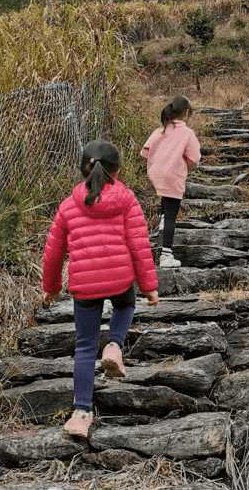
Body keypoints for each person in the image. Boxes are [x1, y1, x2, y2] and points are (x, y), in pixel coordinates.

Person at [42, 140, 159, 438]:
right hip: (120, 280)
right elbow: (139, 245)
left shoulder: (69, 206)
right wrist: (148, 286)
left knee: (84, 346)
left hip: (84, 286)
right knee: (125, 305)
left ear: (84, 169)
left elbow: (54, 252)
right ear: (117, 171)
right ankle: (115, 345)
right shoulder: (127, 200)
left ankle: (81, 412)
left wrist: (52, 288)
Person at [141, 94, 201, 268]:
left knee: (165, 200)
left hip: (156, 173)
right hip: (173, 175)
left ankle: (161, 220)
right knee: (171, 216)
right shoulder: (188, 133)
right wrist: (187, 164)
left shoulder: (160, 131)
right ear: (186, 113)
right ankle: (166, 255)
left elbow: (144, 153)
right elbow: (194, 158)